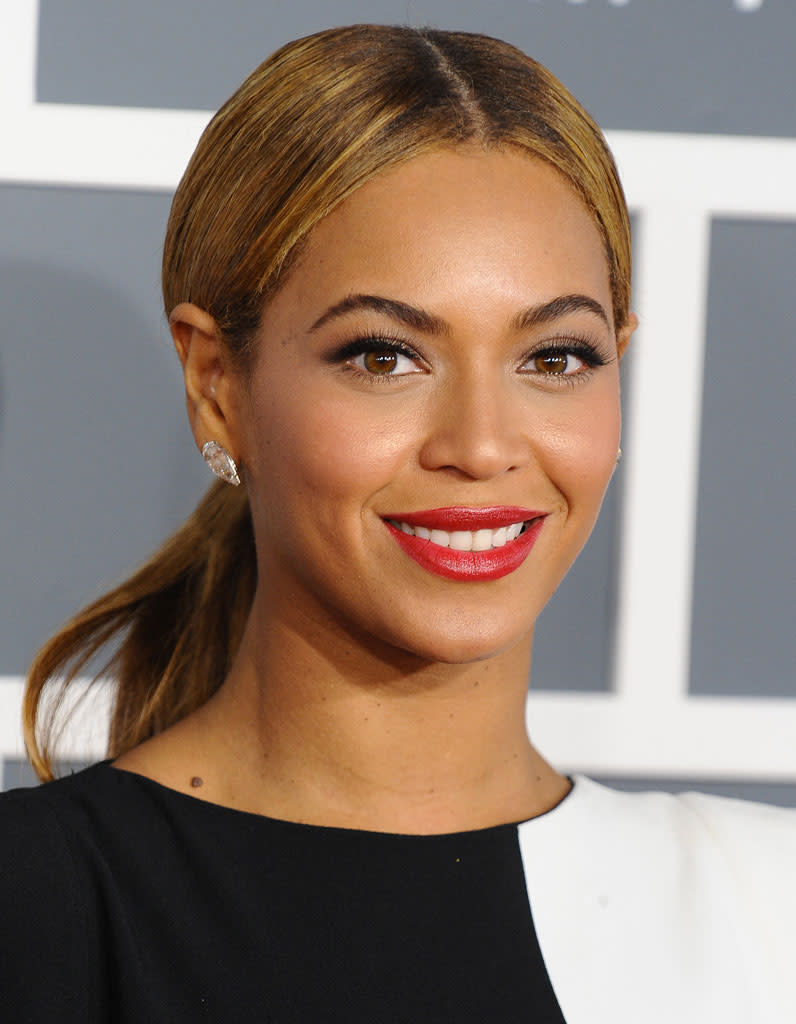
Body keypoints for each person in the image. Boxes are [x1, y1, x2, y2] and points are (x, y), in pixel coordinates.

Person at [2, 24, 794, 1024]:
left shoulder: (760, 907)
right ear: (217, 385)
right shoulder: (39, 911)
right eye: (383, 356)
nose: (479, 443)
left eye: (553, 358)